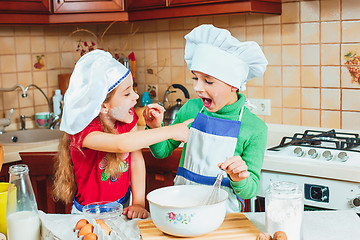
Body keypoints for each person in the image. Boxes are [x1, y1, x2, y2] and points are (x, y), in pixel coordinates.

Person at [143, 24, 268, 213]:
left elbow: (251, 191)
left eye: (208, 81)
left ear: (234, 85)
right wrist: (155, 128)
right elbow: (162, 152)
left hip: (224, 215)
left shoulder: (255, 128)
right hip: (182, 209)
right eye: (195, 78)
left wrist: (240, 177)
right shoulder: (191, 109)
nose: (198, 87)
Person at [53, 49, 192, 219]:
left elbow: (135, 159)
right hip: (88, 214)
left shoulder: (127, 119)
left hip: (123, 207)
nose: (136, 96)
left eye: (133, 89)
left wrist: (139, 202)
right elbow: (121, 144)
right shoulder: (83, 131)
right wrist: (171, 130)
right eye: (127, 93)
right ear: (103, 106)